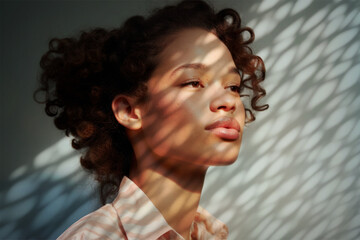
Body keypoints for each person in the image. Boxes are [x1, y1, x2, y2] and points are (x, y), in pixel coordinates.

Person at [35, 0, 268, 239]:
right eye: (193, 82)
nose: (228, 102)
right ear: (129, 111)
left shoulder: (212, 235)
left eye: (233, 86)